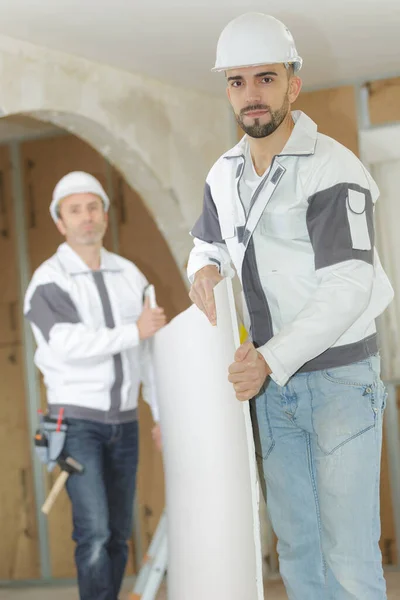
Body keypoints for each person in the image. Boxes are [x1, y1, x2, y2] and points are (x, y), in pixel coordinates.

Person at [188, 13, 394, 600]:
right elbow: (210, 242)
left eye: (265, 78)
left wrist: (269, 359)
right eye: (237, 82)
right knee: (299, 548)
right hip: (273, 387)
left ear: (291, 86)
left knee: (348, 555)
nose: (251, 95)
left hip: (337, 379)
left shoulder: (332, 167)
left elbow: (349, 285)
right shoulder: (223, 174)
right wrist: (203, 266)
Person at [24, 171, 166, 600]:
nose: (86, 217)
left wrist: (160, 414)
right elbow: (67, 345)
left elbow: (149, 355)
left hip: (125, 422)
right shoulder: (48, 282)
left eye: (93, 207)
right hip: (75, 422)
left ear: (104, 214)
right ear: (60, 222)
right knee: (96, 531)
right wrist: (133, 330)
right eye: (75, 210)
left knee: (119, 532)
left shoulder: (130, 275)